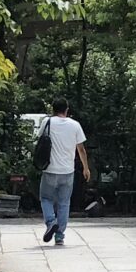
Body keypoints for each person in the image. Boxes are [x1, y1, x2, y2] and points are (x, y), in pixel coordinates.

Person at [34, 102, 90, 246]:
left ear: (53, 109)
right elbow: (81, 149)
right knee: (64, 203)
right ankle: (59, 236)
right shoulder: (75, 125)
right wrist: (86, 168)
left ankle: (51, 222)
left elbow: (39, 139)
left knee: (46, 198)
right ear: (67, 110)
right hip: (67, 171)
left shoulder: (47, 122)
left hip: (50, 169)